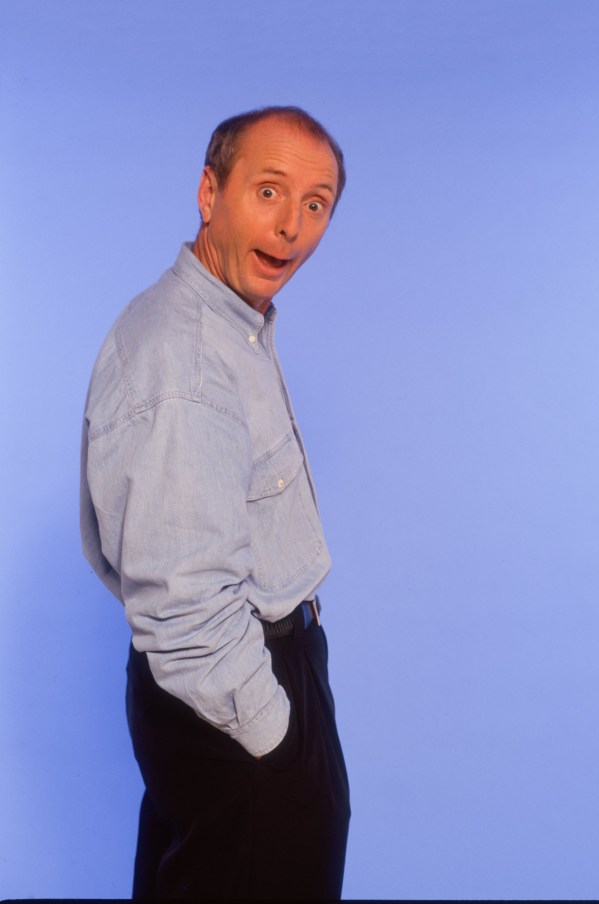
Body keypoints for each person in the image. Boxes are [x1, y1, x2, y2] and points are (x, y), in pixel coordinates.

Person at [80, 105, 350, 900]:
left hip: (227, 690)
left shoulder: (231, 325)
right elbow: (186, 605)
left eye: (315, 203)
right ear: (210, 192)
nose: (292, 226)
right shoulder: (188, 360)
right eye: (269, 191)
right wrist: (276, 738)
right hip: (235, 702)